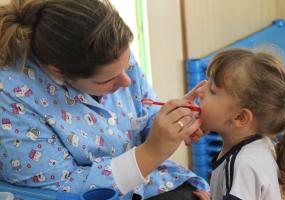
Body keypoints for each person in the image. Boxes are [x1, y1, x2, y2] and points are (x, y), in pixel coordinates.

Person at [0, 0, 210, 199]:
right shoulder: (12, 100)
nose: (127, 82)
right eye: (108, 80)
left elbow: (143, 114)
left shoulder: (111, 53)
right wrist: (152, 152)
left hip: (149, 185)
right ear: (59, 72)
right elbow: (63, 191)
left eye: (127, 65)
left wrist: (171, 124)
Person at [192, 48, 285, 200]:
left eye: (212, 90)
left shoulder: (242, 165)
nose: (200, 91)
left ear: (240, 117)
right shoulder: (260, 145)